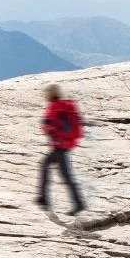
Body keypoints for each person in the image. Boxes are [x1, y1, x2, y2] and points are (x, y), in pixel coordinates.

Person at [38, 82, 88, 216]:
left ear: (50, 93)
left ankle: (45, 199)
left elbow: (50, 126)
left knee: (59, 172)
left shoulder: (54, 106)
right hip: (66, 144)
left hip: (59, 145)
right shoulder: (67, 104)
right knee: (49, 168)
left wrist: (46, 126)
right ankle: (44, 198)